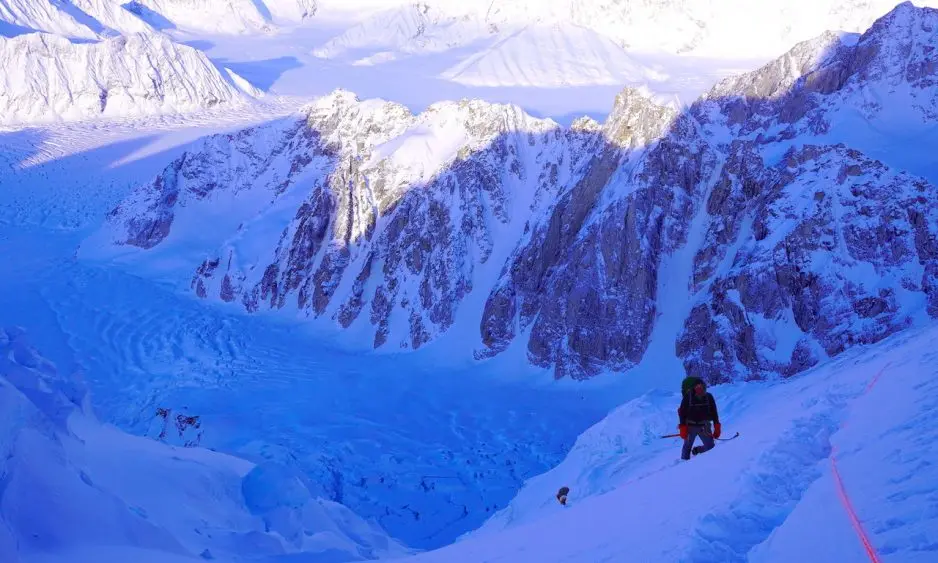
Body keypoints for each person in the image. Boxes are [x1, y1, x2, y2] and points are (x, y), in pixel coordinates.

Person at [677, 377, 721, 460]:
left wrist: (717, 426)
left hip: (704, 427)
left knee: (710, 447)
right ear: (694, 387)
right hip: (690, 426)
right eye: (697, 386)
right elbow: (682, 412)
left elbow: (714, 412)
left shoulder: (709, 397)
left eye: (701, 386)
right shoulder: (688, 397)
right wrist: (683, 427)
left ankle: (698, 450)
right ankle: (682, 466)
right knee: (687, 447)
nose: (699, 388)